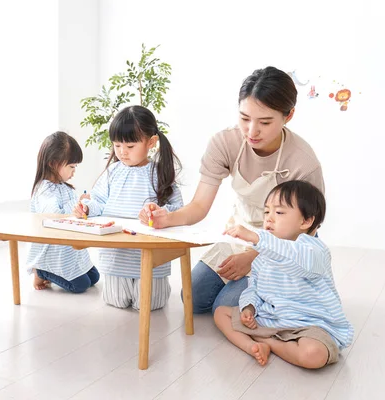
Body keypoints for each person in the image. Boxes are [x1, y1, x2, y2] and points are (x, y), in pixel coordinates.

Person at [139, 66, 325, 315]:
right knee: (193, 298)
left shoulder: (303, 162)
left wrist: (255, 257)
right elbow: (199, 206)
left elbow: (306, 232)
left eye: (265, 122)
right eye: (245, 118)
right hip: (241, 236)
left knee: (225, 307)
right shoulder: (226, 142)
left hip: (285, 247)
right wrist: (166, 218)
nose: (251, 131)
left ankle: (293, 292)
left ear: (288, 116)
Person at [214, 180, 353, 368]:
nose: (269, 219)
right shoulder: (263, 255)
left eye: (279, 212)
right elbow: (254, 287)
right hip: (273, 319)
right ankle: (253, 346)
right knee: (221, 313)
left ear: (306, 221)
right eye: (266, 212)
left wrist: (257, 238)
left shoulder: (314, 251)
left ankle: (269, 343)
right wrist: (249, 308)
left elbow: (295, 260)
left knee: (313, 355)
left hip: (309, 325)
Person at [74, 105, 183, 310]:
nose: (122, 152)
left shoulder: (160, 173)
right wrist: (86, 208)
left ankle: (156, 287)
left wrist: (161, 212)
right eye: (117, 145)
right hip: (117, 256)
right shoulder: (112, 172)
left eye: (130, 146)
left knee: (149, 304)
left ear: (151, 142)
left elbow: (177, 208)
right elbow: (97, 201)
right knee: (117, 301)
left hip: (150, 257)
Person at [26, 131, 99, 293]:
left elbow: (73, 210)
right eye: (71, 166)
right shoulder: (44, 189)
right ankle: (42, 271)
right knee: (80, 286)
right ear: (53, 163)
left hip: (69, 248)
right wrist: (76, 206)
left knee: (94, 278)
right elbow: (53, 216)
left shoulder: (64, 187)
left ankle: (56, 271)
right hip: (54, 249)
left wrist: (82, 204)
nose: (74, 171)